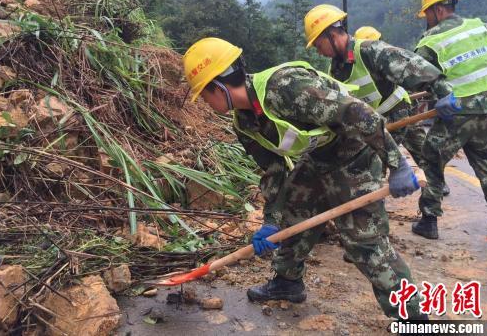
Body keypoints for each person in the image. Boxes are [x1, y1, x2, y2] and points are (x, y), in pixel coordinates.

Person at [182, 37, 427, 319]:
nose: (203, 101)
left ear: (219, 87)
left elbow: (356, 112)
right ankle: (288, 282)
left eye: (203, 93)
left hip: (354, 155)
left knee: (364, 242)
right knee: (294, 211)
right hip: (318, 158)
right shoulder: (245, 122)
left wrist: (396, 163)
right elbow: (273, 171)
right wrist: (272, 221)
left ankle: (413, 316)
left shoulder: (285, 87)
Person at [304, 6, 451, 195]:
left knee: (371, 161)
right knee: (365, 160)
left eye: (318, 45)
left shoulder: (368, 50)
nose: (319, 52)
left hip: (397, 113)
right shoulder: (335, 70)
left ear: (331, 35)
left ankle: (417, 194)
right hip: (374, 122)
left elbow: (411, 65)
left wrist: (443, 91)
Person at [411, 0, 487, 239]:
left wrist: (439, 91)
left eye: (428, 15)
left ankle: (429, 221)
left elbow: (416, 74)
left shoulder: (431, 39)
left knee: (431, 160)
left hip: (455, 113)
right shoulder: (481, 28)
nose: (428, 21)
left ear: (436, 10)